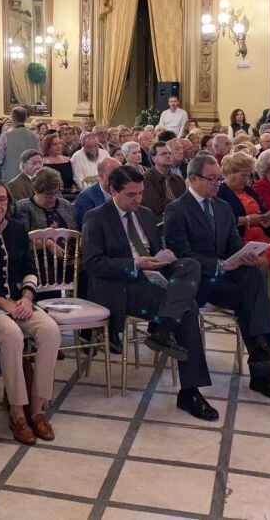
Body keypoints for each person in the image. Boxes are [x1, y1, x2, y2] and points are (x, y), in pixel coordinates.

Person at [83, 165, 216, 419]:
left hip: (153, 275)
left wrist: (163, 257)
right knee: (188, 309)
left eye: (141, 193)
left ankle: (163, 328)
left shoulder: (144, 214)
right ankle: (190, 391)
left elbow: (154, 249)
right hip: (123, 285)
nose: (138, 199)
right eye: (131, 195)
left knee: (190, 265)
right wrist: (135, 264)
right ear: (113, 190)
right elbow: (93, 264)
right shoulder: (96, 217)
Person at [165, 154, 270, 402]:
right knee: (249, 293)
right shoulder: (177, 209)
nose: (217, 184)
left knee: (251, 278)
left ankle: (261, 359)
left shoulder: (222, 207)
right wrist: (219, 265)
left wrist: (246, 255)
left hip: (221, 279)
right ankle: (262, 361)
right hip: (195, 283)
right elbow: (180, 256)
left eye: (219, 179)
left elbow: (234, 243)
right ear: (193, 178)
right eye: (212, 179)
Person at [0, 179, 61, 445]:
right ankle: (17, 413)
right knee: (12, 335)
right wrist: (2, 303)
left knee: (50, 331)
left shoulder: (17, 229)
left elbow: (30, 269)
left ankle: (37, 410)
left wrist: (27, 297)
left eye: (2, 199)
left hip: (20, 302)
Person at [218, 151, 270, 326]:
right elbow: (225, 220)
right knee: (260, 262)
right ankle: (257, 307)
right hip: (238, 239)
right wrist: (249, 220)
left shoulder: (248, 190)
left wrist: (268, 217)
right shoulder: (221, 192)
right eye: (243, 176)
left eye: (249, 175)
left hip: (259, 235)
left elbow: (262, 209)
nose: (247, 180)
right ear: (229, 173)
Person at [0, 107, 40, 183]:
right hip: (30, 179)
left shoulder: (5, 136)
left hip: (10, 179)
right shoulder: (34, 137)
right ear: (25, 119)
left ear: (13, 118)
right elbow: (39, 158)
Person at [142, 141, 186, 218]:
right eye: (163, 154)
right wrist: (179, 205)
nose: (168, 156)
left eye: (169, 153)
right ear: (153, 158)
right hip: (157, 221)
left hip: (180, 218)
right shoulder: (146, 178)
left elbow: (185, 201)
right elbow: (156, 205)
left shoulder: (179, 179)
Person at [75, 157, 120, 230]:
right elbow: (87, 229)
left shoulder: (124, 193)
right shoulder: (86, 198)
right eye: (114, 174)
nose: (119, 178)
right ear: (101, 175)